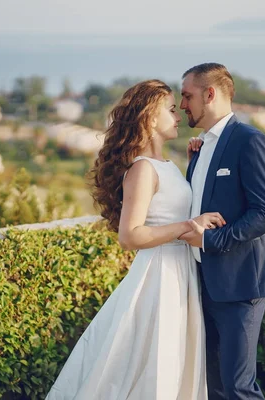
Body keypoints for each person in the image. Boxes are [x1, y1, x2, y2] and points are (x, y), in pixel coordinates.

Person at [45, 79, 223, 400]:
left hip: (181, 271)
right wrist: (187, 226)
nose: (179, 115)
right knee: (156, 363)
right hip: (160, 275)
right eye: (171, 110)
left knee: (178, 361)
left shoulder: (167, 165)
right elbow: (130, 235)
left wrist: (196, 159)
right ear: (150, 118)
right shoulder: (142, 170)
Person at [180, 63, 265, 400]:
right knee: (215, 387)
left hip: (240, 287)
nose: (182, 105)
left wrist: (211, 240)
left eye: (187, 95)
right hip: (203, 283)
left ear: (210, 94)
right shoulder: (201, 147)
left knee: (239, 387)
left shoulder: (250, 141)